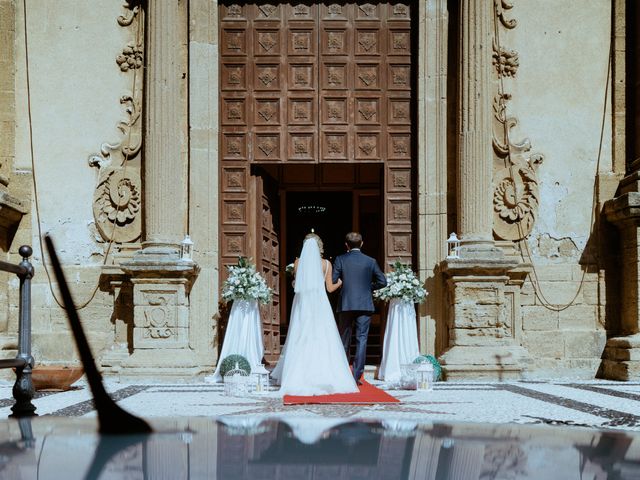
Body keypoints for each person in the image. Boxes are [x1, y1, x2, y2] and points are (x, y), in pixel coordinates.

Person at [271, 233, 359, 396]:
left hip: (303, 304)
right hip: (320, 304)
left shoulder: (298, 263)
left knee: (301, 335)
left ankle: (299, 374)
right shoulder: (326, 264)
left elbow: (296, 286)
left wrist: (293, 279)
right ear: (320, 246)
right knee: (322, 336)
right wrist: (340, 282)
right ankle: (325, 373)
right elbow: (330, 289)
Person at [332, 232, 387, 385]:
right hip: (364, 304)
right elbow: (383, 281)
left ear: (346, 245)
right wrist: (369, 287)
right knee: (361, 339)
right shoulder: (370, 261)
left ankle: (342, 373)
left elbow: (334, 280)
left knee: (344, 340)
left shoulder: (340, 259)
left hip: (346, 304)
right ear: (362, 244)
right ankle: (356, 376)